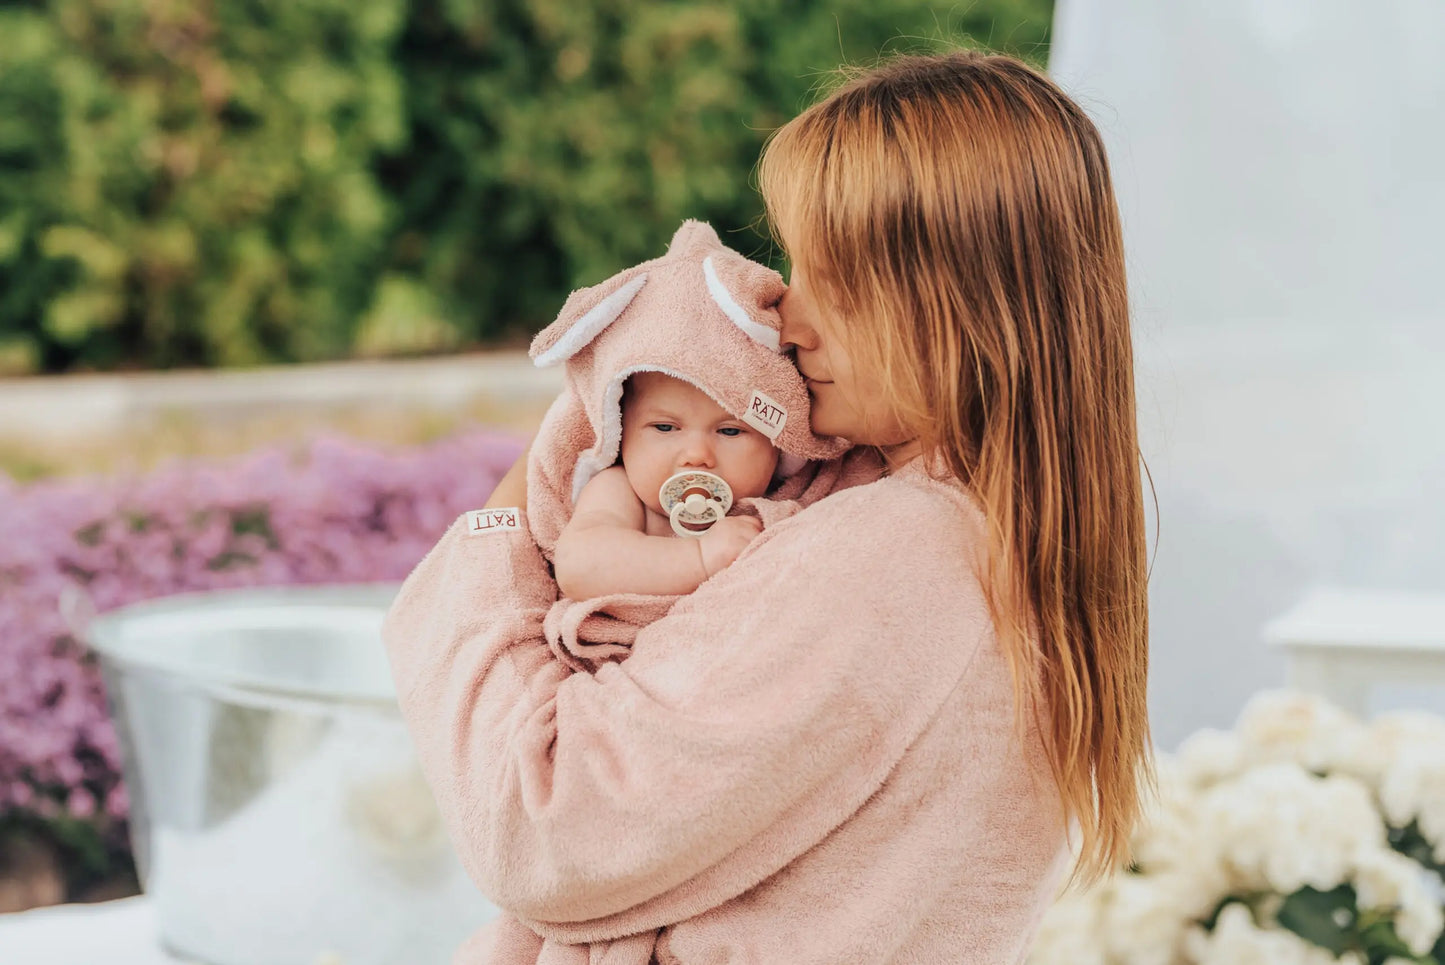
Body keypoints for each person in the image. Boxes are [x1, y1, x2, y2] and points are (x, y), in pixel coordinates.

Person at [383, 47, 1153, 965]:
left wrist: (559, 458)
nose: (785, 318)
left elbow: (542, 826)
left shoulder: (890, 553)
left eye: (823, 271)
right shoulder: (1013, 531)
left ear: (944, 301)